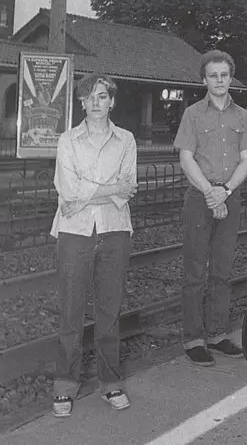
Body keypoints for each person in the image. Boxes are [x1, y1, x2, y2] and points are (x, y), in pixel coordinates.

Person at [51, 73, 137, 418]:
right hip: (74, 231)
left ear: (111, 101)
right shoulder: (67, 140)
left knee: (109, 311)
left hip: (115, 230)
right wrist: (110, 189)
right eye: (89, 97)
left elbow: (128, 188)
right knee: (71, 310)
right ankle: (65, 385)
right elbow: (67, 189)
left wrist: (87, 193)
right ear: (82, 103)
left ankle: (110, 382)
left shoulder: (126, 139)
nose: (96, 103)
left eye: (102, 96)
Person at [174, 49, 247, 366]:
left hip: (229, 195)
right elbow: (186, 158)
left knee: (222, 270)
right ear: (204, 80)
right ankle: (194, 339)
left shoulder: (242, 116)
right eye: (213, 75)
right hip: (200, 197)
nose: (219, 80)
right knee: (195, 271)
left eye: (224, 75)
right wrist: (211, 192)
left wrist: (226, 191)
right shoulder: (192, 114)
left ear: (230, 77)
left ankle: (218, 334)